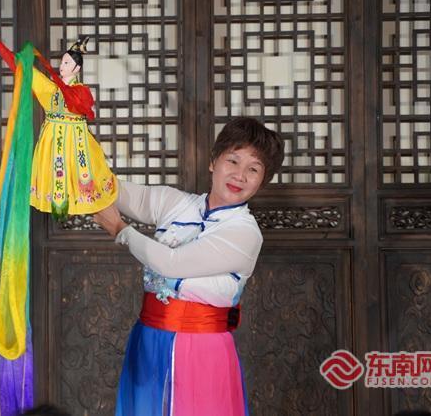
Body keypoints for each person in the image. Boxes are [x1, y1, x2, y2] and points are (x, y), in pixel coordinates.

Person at [92, 117, 284, 416]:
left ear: (262, 180)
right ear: (213, 162)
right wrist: (75, 150)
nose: (239, 175)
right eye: (233, 161)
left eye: (253, 169)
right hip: (149, 337)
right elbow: (111, 189)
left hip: (202, 349)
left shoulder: (245, 233)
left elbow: (172, 264)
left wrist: (120, 230)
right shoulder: (176, 203)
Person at [28, 36, 117, 221]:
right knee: (56, 174)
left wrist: (66, 92)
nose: (62, 66)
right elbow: (37, 81)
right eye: (62, 62)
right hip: (53, 142)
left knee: (79, 174)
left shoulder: (81, 92)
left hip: (76, 142)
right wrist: (22, 62)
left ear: (77, 68)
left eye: (67, 63)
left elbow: (81, 105)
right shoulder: (53, 89)